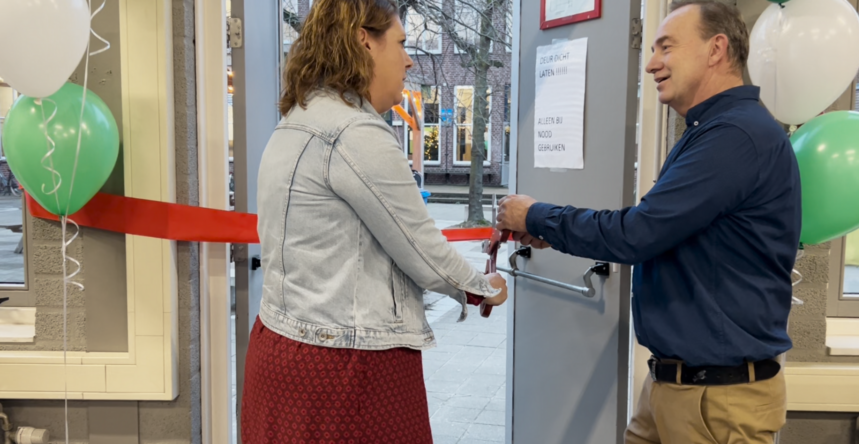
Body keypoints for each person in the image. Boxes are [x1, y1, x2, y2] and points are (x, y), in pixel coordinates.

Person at [497, 2, 801, 443]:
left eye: (666, 48)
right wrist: (545, 229)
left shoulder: (734, 137)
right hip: (675, 388)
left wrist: (536, 215)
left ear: (716, 49)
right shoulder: (711, 132)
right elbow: (661, 233)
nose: (652, 64)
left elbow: (637, 234)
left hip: (715, 402)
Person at [242, 0, 508, 442]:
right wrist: (485, 287)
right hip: (344, 368)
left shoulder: (295, 121)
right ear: (364, 41)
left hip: (281, 346)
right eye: (401, 44)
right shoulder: (354, 131)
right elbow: (422, 248)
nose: (407, 60)